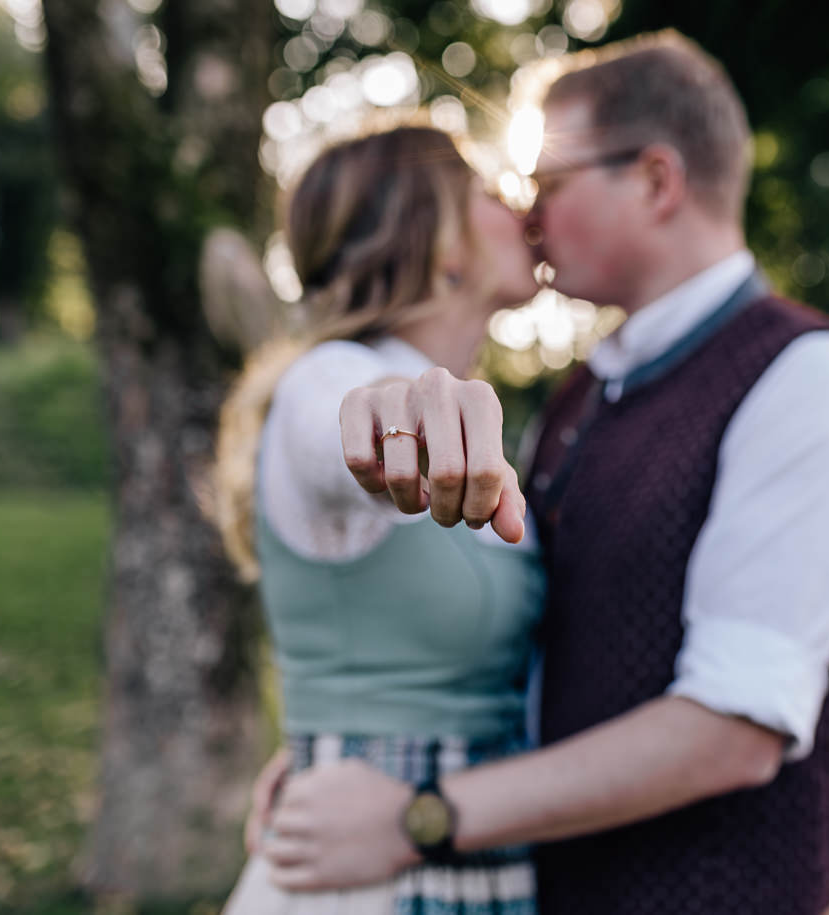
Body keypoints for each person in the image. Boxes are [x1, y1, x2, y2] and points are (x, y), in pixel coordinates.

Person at [259, 31, 829, 915]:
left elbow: (736, 728)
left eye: (549, 183)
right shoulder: (584, 396)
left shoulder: (808, 378)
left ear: (654, 181)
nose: (529, 212)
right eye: (511, 190)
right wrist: (345, 747)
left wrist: (421, 808)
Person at [212, 124, 547, 914]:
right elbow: (336, 422)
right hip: (361, 886)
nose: (520, 208)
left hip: (472, 869)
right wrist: (393, 413)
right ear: (440, 245)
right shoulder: (331, 380)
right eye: (491, 196)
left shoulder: (485, 428)